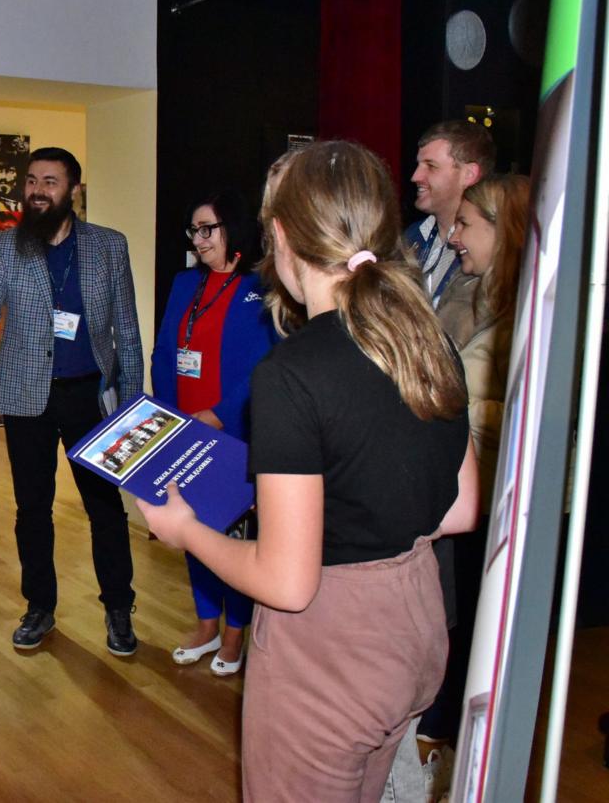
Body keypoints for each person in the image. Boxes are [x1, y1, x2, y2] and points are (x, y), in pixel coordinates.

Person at [139, 140, 479, 801]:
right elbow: (461, 508)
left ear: (284, 237)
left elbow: (286, 582)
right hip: (415, 622)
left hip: (331, 649)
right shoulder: (425, 337)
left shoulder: (292, 374)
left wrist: (186, 531)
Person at [0, 147, 144, 656]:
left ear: (73, 190)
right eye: (32, 181)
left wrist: (133, 405)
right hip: (27, 396)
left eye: (50, 182)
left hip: (90, 395)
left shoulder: (109, 245)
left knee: (105, 510)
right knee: (32, 509)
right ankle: (39, 606)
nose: (37, 191)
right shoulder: (7, 245)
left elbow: (127, 330)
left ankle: (118, 607)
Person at [411, 174, 530, 798]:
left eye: (466, 225)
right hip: (465, 498)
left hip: (496, 510)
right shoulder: (475, 295)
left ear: (503, 231)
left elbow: (523, 417)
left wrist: (441, 407)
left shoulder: (528, 315)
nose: (453, 236)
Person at [149, 192, 276, 676]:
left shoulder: (262, 286)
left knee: (234, 534)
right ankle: (207, 624)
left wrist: (220, 414)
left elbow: (266, 364)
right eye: (194, 230)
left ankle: (236, 631)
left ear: (234, 229)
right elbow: (165, 352)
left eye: (208, 229)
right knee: (193, 526)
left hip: (234, 432)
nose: (198, 240)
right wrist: (168, 415)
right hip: (185, 429)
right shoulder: (185, 283)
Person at [405, 120, 496, 309]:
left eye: (431, 166)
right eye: (418, 165)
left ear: (469, 174)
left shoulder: (486, 252)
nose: (415, 177)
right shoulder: (411, 236)